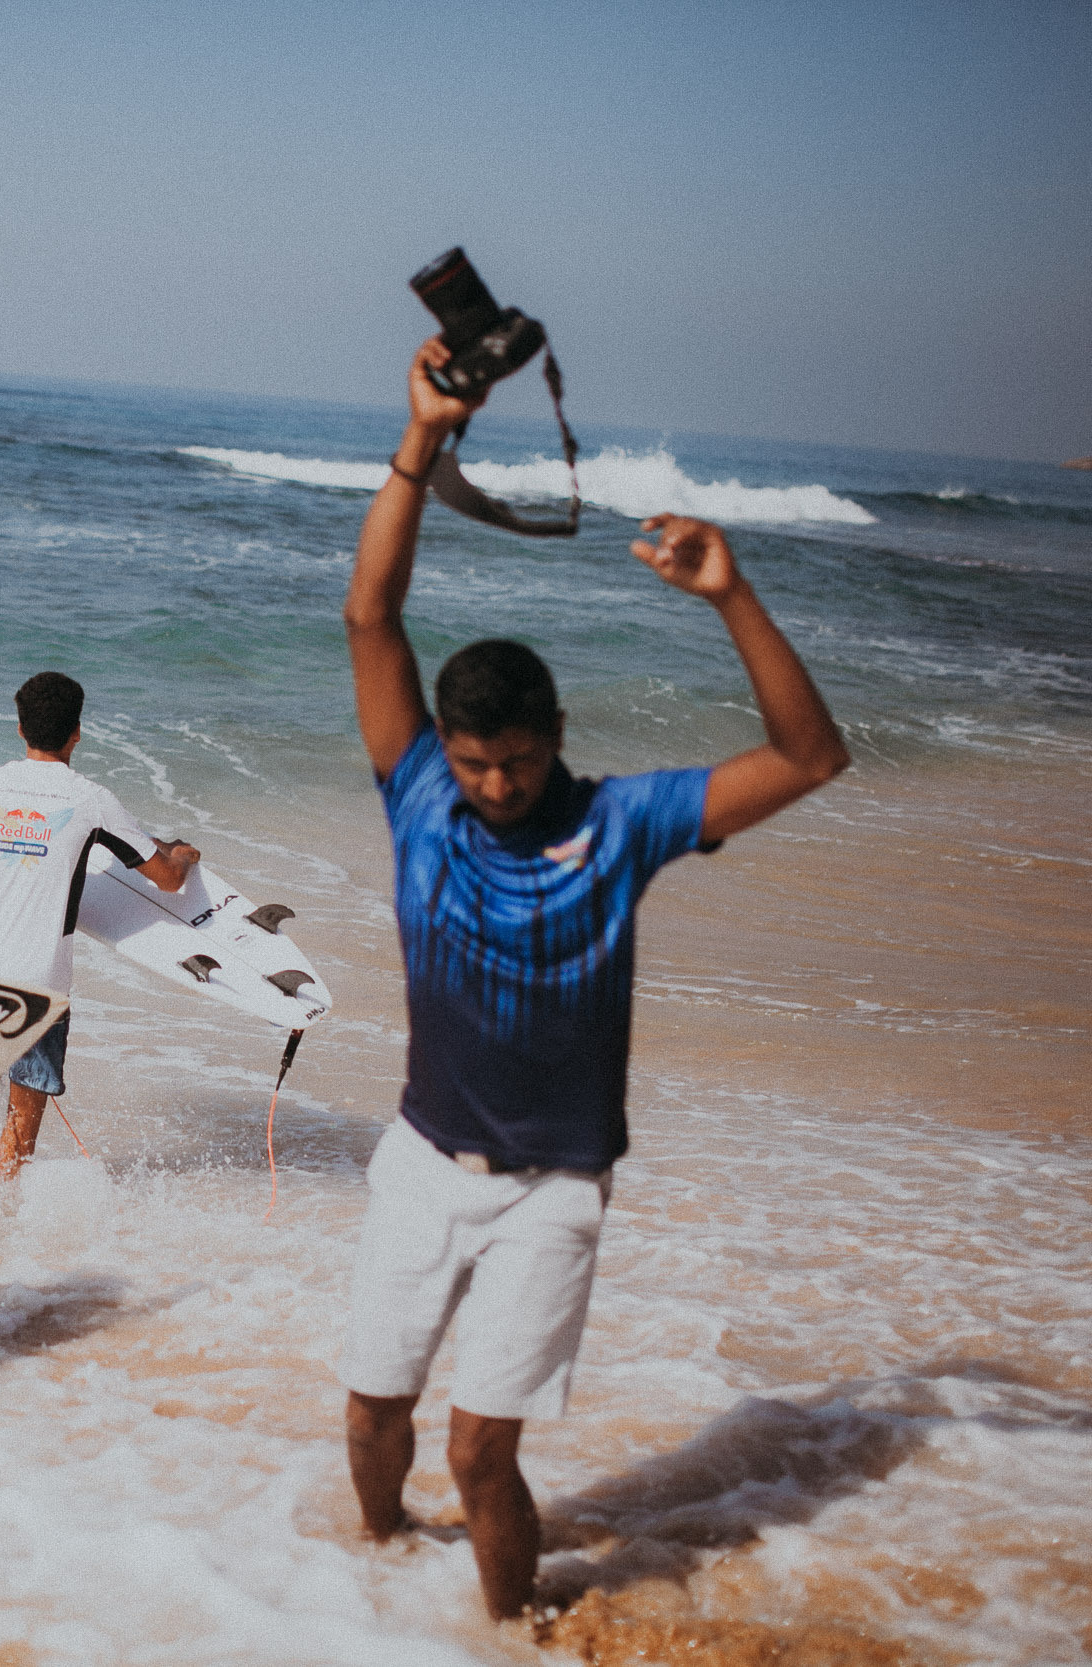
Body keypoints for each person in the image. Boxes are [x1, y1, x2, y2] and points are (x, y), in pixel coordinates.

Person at [338, 335, 850, 1621]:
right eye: (474, 763)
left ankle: (508, 1632)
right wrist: (421, 440)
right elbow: (370, 618)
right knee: (372, 1411)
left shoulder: (620, 822)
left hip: (553, 1188)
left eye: (515, 760)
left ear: (555, 736)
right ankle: (370, 1570)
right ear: (442, 747)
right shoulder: (419, 793)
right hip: (422, 1157)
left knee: (479, 1450)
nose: (494, 785)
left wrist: (731, 595)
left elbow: (809, 757)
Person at [0, 672, 200, 1184]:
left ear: (19, 728)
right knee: (21, 1122)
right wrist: (183, 854)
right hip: (40, 987)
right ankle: (1, 1216)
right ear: (77, 732)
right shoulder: (91, 800)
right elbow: (166, 879)